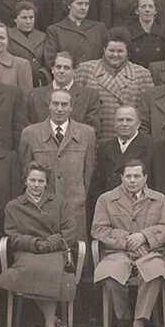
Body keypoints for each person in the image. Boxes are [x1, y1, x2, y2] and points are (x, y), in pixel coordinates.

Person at [91, 159, 165, 327]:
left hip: (149, 252)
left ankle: (139, 324)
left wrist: (144, 236)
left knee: (155, 272)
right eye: (128, 176)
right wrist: (128, 239)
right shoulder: (105, 199)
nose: (132, 180)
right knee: (111, 273)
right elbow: (98, 230)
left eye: (137, 176)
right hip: (118, 252)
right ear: (121, 177)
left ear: (145, 178)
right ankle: (123, 318)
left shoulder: (160, 199)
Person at [0, 161, 77, 327]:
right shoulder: (14, 206)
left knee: (50, 270)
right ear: (25, 181)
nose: (36, 185)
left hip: (54, 251)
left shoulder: (60, 203)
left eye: (40, 181)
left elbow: (69, 231)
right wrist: (35, 243)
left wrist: (50, 243)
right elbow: (12, 235)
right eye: (32, 180)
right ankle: (51, 323)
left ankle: (49, 323)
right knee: (31, 269)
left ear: (46, 183)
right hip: (27, 252)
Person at [19, 89, 96, 241]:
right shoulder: (30, 133)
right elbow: (25, 171)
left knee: (76, 254)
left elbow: (88, 172)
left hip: (74, 206)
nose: (59, 109)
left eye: (64, 104)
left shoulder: (87, 133)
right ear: (49, 105)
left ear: (71, 107)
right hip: (41, 208)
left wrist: (79, 196)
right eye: (55, 104)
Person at [76, 27, 154, 140]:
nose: (115, 55)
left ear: (127, 52)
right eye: (111, 50)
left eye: (120, 51)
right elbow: (78, 108)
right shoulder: (86, 69)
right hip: (95, 137)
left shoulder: (142, 74)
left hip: (129, 140)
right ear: (104, 49)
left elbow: (147, 114)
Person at [43, 0, 107, 69]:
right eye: (79, 3)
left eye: (86, 4)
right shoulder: (55, 30)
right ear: (69, 5)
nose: (83, 8)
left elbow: (106, 56)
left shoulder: (99, 28)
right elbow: (51, 60)